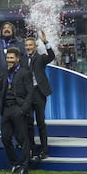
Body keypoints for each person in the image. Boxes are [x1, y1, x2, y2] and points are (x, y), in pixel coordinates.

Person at [0, 47, 33, 174]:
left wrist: (23, 110)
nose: (9, 60)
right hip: (6, 109)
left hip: (17, 109)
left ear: (17, 59)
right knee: (5, 138)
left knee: (22, 139)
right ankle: (15, 163)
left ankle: (24, 167)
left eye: (12, 58)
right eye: (7, 58)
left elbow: (31, 93)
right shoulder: (5, 73)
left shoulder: (24, 73)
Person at [23, 31, 55, 160]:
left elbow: (51, 56)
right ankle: (31, 148)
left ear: (35, 46)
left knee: (41, 122)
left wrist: (46, 42)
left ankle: (44, 150)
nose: (28, 47)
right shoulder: (24, 60)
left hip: (39, 92)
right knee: (29, 122)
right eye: (27, 45)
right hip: (28, 93)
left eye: (31, 45)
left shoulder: (41, 57)